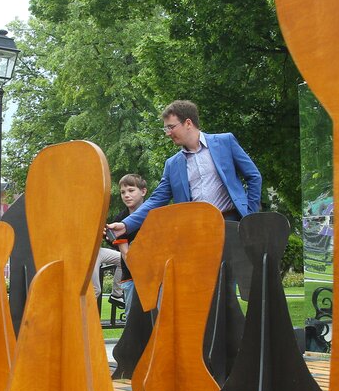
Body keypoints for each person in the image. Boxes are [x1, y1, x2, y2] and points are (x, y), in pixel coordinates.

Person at [107, 100, 262, 239]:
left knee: (234, 264)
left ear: (188, 123)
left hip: (232, 225)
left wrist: (250, 214)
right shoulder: (172, 164)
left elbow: (253, 176)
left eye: (171, 127)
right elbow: (155, 200)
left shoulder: (225, 142)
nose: (168, 133)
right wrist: (126, 224)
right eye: (166, 128)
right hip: (194, 233)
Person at [110, 174, 148, 314]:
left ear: (143, 191)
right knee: (133, 317)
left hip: (155, 276)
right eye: (123, 192)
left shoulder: (154, 214)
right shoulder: (120, 219)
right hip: (132, 277)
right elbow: (125, 253)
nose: (126, 195)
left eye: (131, 190)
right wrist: (139, 277)